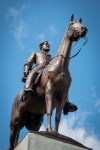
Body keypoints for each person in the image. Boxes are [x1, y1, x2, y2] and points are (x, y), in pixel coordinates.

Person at [22, 41, 78, 115]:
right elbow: (28, 62)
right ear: (41, 46)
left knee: (62, 82)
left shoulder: (52, 57)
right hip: (40, 68)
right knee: (33, 72)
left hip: (50, 71)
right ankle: (28, 90)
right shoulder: (36, 53)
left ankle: (66, 103)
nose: (48, 45)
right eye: (46, 44)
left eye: (48, 44)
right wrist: (26, 70)